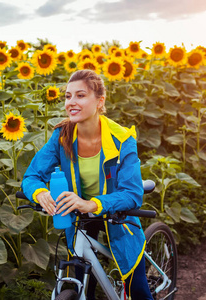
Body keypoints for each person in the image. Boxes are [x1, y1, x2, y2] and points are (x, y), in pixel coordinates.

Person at [21, 69, 153, 299]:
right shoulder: (62, 136)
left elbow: (132, 194)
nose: (71, 102)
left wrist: (90, 204)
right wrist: (39, 193)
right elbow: (31, 176)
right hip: (79, 215)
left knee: (138, 289)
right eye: (68, 96)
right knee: (83, 280)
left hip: (116, 213)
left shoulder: (122, 139)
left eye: (80, 95)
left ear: (99, 101)